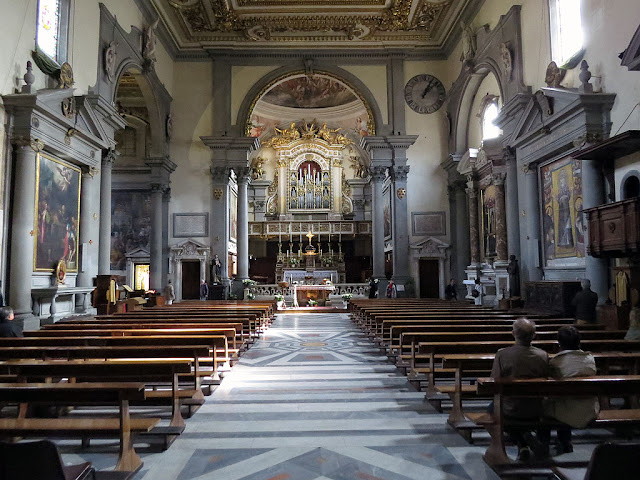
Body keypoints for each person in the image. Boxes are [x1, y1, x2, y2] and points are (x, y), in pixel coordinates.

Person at [490, 318, 549, 461]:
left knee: (493, 409)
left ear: (513, 333)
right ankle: (526, 439)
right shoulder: (543, 355)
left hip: (511, 408)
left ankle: (522, 442)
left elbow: (494, 382)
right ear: (534, 336)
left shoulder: (502, 354)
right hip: (537, 408)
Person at [540, 326, 599, 454]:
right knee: (565, 399)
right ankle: (565, 441)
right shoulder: (589, 359)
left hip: (567, 411)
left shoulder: (556, 362)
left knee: (546, 404)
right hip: (589, 408)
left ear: (559, 343)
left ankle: (543, 442)